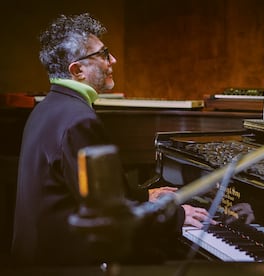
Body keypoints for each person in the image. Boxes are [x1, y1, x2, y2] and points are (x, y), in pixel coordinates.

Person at [11, 13, 211, 266]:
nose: (113, 60)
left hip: (40, 253)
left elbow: (83, 194)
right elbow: (109, 215)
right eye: (104, 54)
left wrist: (144, 197)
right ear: (77, 70)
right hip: (67, 264)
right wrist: (177, 215)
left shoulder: (49, 106)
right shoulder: (79, 120)